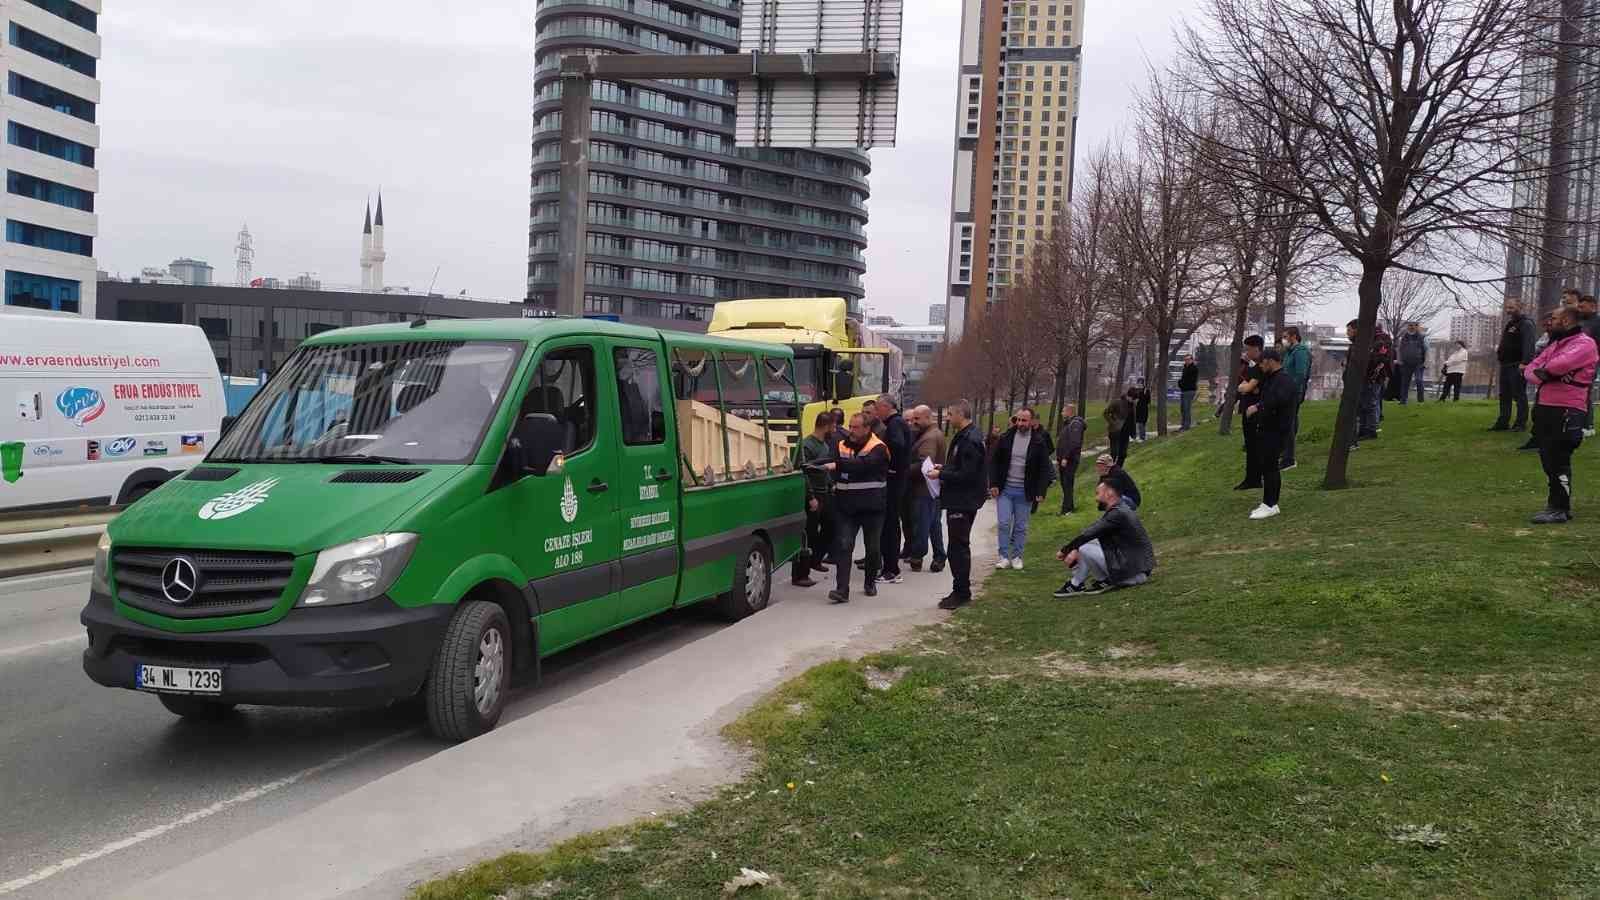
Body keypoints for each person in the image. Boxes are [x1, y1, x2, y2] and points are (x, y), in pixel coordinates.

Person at [1524, 305, 1599, 524]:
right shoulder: (1555, 344)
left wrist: (1550, 372)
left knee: (1558, 458)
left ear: (1566, 320)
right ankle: (1555, 504)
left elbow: (1559, 365)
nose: (1549, 322)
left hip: (1567, 410)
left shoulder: (1585, 344)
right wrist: (1546, 374)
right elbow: (1532, 370)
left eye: (1553, 318)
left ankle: (1559, 508)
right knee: (1547, 457)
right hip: (1546, 406)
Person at [821, 413, 889, 604]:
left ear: (867, 429)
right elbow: (832, 466)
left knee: (873, 548)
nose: (851, 430)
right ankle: (841, 589)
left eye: (856, 427)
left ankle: (869, 582)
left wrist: (839, 466)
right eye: (850, 426)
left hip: (872, 508)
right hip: (846, 507)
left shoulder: (878, 448)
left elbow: (865, 465)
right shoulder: (841, 445)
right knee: (844, 546)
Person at [1052, 479, 1156, 598]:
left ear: (1108, 493)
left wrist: (1065, 550)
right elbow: (1093, 532)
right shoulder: (1120, 509)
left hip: (1134, 574)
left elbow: (1089, 533)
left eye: (1098, 493)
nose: (1096, 498)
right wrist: (1074, 549)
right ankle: (1087, 582)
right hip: (1137, 571)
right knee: (1086, 544)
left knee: (1085, 547)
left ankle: (1079, 584)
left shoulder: (1117, 513)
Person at [930, 399, 988, 610]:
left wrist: (941, 473)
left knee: (958, 547)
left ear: (960, 414)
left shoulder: (970, 439)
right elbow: (960, 466)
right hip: (959, 498)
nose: (947, 417)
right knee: (956, 545)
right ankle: (959, 589)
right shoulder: (965, 436)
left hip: (963, 501)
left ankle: (962, 592)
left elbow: (968, 474)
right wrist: (944, 467)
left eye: (950, 414)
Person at [987, 407, 1053, 570]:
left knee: (1020, 526)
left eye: (1024, 420)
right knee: (1003, 523)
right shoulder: (1005, 438)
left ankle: (1017, 556)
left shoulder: (1038, 442)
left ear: (1031, 421)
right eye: (1018, 420)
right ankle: (1003, 556)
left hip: (1025, 491)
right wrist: (993, 484)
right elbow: (994, 462)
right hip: (1006, 489)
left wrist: (1041, 491)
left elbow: (1044, 468)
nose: (1020, 423)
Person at [1246, 348, 1297, 519]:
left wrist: (1257, 407)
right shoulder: (1272, 379)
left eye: (1262, 362)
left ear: (1269, 360)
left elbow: (1276, 402)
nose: (1260, 366)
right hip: (1267, 429)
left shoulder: (1284, 380)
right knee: (1267, 466)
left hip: (1276, 430)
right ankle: (1267, 502)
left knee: (1270, 467)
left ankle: (1270, 504)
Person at [791, 413, 836, 587]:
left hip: (824, 492)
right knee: (808, 534)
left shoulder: (823, 444)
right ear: (826, 426)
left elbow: (824, 470)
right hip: (814, 495)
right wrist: (810, 497)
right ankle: (801, 574)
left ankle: (815, 559)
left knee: (830, 526)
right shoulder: (806, 445)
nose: (834, 429)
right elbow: (802, 473)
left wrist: (831, 484)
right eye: (833, 426)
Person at [904, 405, 947, 573]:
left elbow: (924, 463)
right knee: (934, 524)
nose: (914, 422)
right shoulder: (933, 434)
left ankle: (917, 555)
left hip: (925, 488)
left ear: (927, 418)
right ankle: (939, 557)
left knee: (922, 524)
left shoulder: (928, 438)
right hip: (932, 488)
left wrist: (904, 471)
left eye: (917, 419)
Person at [1490, 298, 1538, 433]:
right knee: (1504, 394)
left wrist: (1525, 363)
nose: (1509, 310)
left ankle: (1520, 424)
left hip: (1517, 364)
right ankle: (1502, 422)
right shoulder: (1510, 323)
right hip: (1505, 364)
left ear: (1520, 307)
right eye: (1507, 308)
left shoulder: (1526, 324)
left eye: (1511, 308)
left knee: (1519, 395)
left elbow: (1529, 345)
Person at [1347, 319, 1393, 447]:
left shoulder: (1376, 342)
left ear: (1357, 330)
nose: (1347, 333)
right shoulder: (1362, 342)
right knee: (1363, 405)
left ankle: (1371, 430)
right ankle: (1363, 429)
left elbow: (1377, 360)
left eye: (1349, 330)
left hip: (1372, 377)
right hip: (1365, 377)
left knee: (1370, 403)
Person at [1519, 313, 1558, 452]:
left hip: (1554, 379)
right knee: (1538, 411)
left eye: (1551, 321)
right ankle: (1538, 440)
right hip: (1542, 377)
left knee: (1547, 412)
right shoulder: (1546, 337)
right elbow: (1537, 351)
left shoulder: (1562, 339)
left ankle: (1545, 441)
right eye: (1545, 322)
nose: (1547, 324)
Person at [1234, 335, 1266, 491]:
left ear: (1256, 348)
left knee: (1254, 446)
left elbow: (1245, 388)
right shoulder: (1252, 367)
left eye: (1248, 349)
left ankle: (1254, 479)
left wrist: (1247, 387)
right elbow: (1242, 385)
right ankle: (1251, 478)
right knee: (1250, 446)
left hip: (1254, 412)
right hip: (1248, 409)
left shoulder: (1260, 367)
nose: (1246, 352)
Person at [1279, 327, 1311, 470]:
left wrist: (1290, 389)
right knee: (1290, 421)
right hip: (1286, 391)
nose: (1284, 340)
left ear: (1294, 337)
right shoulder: (1289, 352)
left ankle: (1289, 459)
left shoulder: (1301, 352)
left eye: (1286, 337)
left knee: (1288, 423)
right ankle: (1284, 451)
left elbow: (1300, 374)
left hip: (1293, 393)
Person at [1055, 403, 1087, 514]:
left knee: (1067, 484)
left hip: (1070, 460)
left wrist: (1065, 457)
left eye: (1063, 411)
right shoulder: (1068, 423)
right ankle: (1070, 506)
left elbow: (1074, 443)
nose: (1061, 413)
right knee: (1065, 484)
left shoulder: (1075, 424)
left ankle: (1066, 510)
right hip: (1064, 459)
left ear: (1070, 412)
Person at [1581, 294, 1600, 436]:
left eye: (1583, 306)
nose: (1580, 309)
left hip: (1590, 364)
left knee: (1586, 393)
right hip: (1576, 363)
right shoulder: (1581, 322)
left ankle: (1588, 425)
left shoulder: (1597, 323)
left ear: (1593, 306)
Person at [1397, 322, 1427, 404]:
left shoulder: (1421, 337)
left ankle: (1420, 401)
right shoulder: (1403, 338)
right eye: (1409, 325)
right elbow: (1400, 349)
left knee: (1419, 380)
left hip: (1418, 363)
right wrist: (1399, 360)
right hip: (1406, 363)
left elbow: (1426, 350)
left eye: (1413, 325)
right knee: (1405, 382)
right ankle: (1403, 401)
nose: (1411, 327)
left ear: (1416, 327)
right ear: (1407, 327)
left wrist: (1425, 362)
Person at [1104, 392, 1134, 466]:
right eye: (1132, 398)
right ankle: (1109, 470)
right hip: (1115, 431)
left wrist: (1133, 431)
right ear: (1127, 396)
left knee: (1123, 454)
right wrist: (1113, 423)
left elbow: (1132, 419)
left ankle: (1118, 469)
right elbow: (1106, 413)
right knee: (1114, 453)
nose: (1133, 400)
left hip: (1126, 432)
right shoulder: (1116, 402)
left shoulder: (1132, 405)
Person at [1178, 355, 1200, 431]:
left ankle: (1187, 426)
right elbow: (1183, 379)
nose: (1186, 361)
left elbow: (1189, 380)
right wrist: (1180, 383)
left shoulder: (1193, 368)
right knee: (1183, 409)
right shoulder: (1185, 368)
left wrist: (1181, 383)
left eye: (1188, 359)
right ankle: (1183, 425)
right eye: (1185, 359)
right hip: (1183, 390)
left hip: (1189, 391)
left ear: (1191, 360)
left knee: (1187, 409)